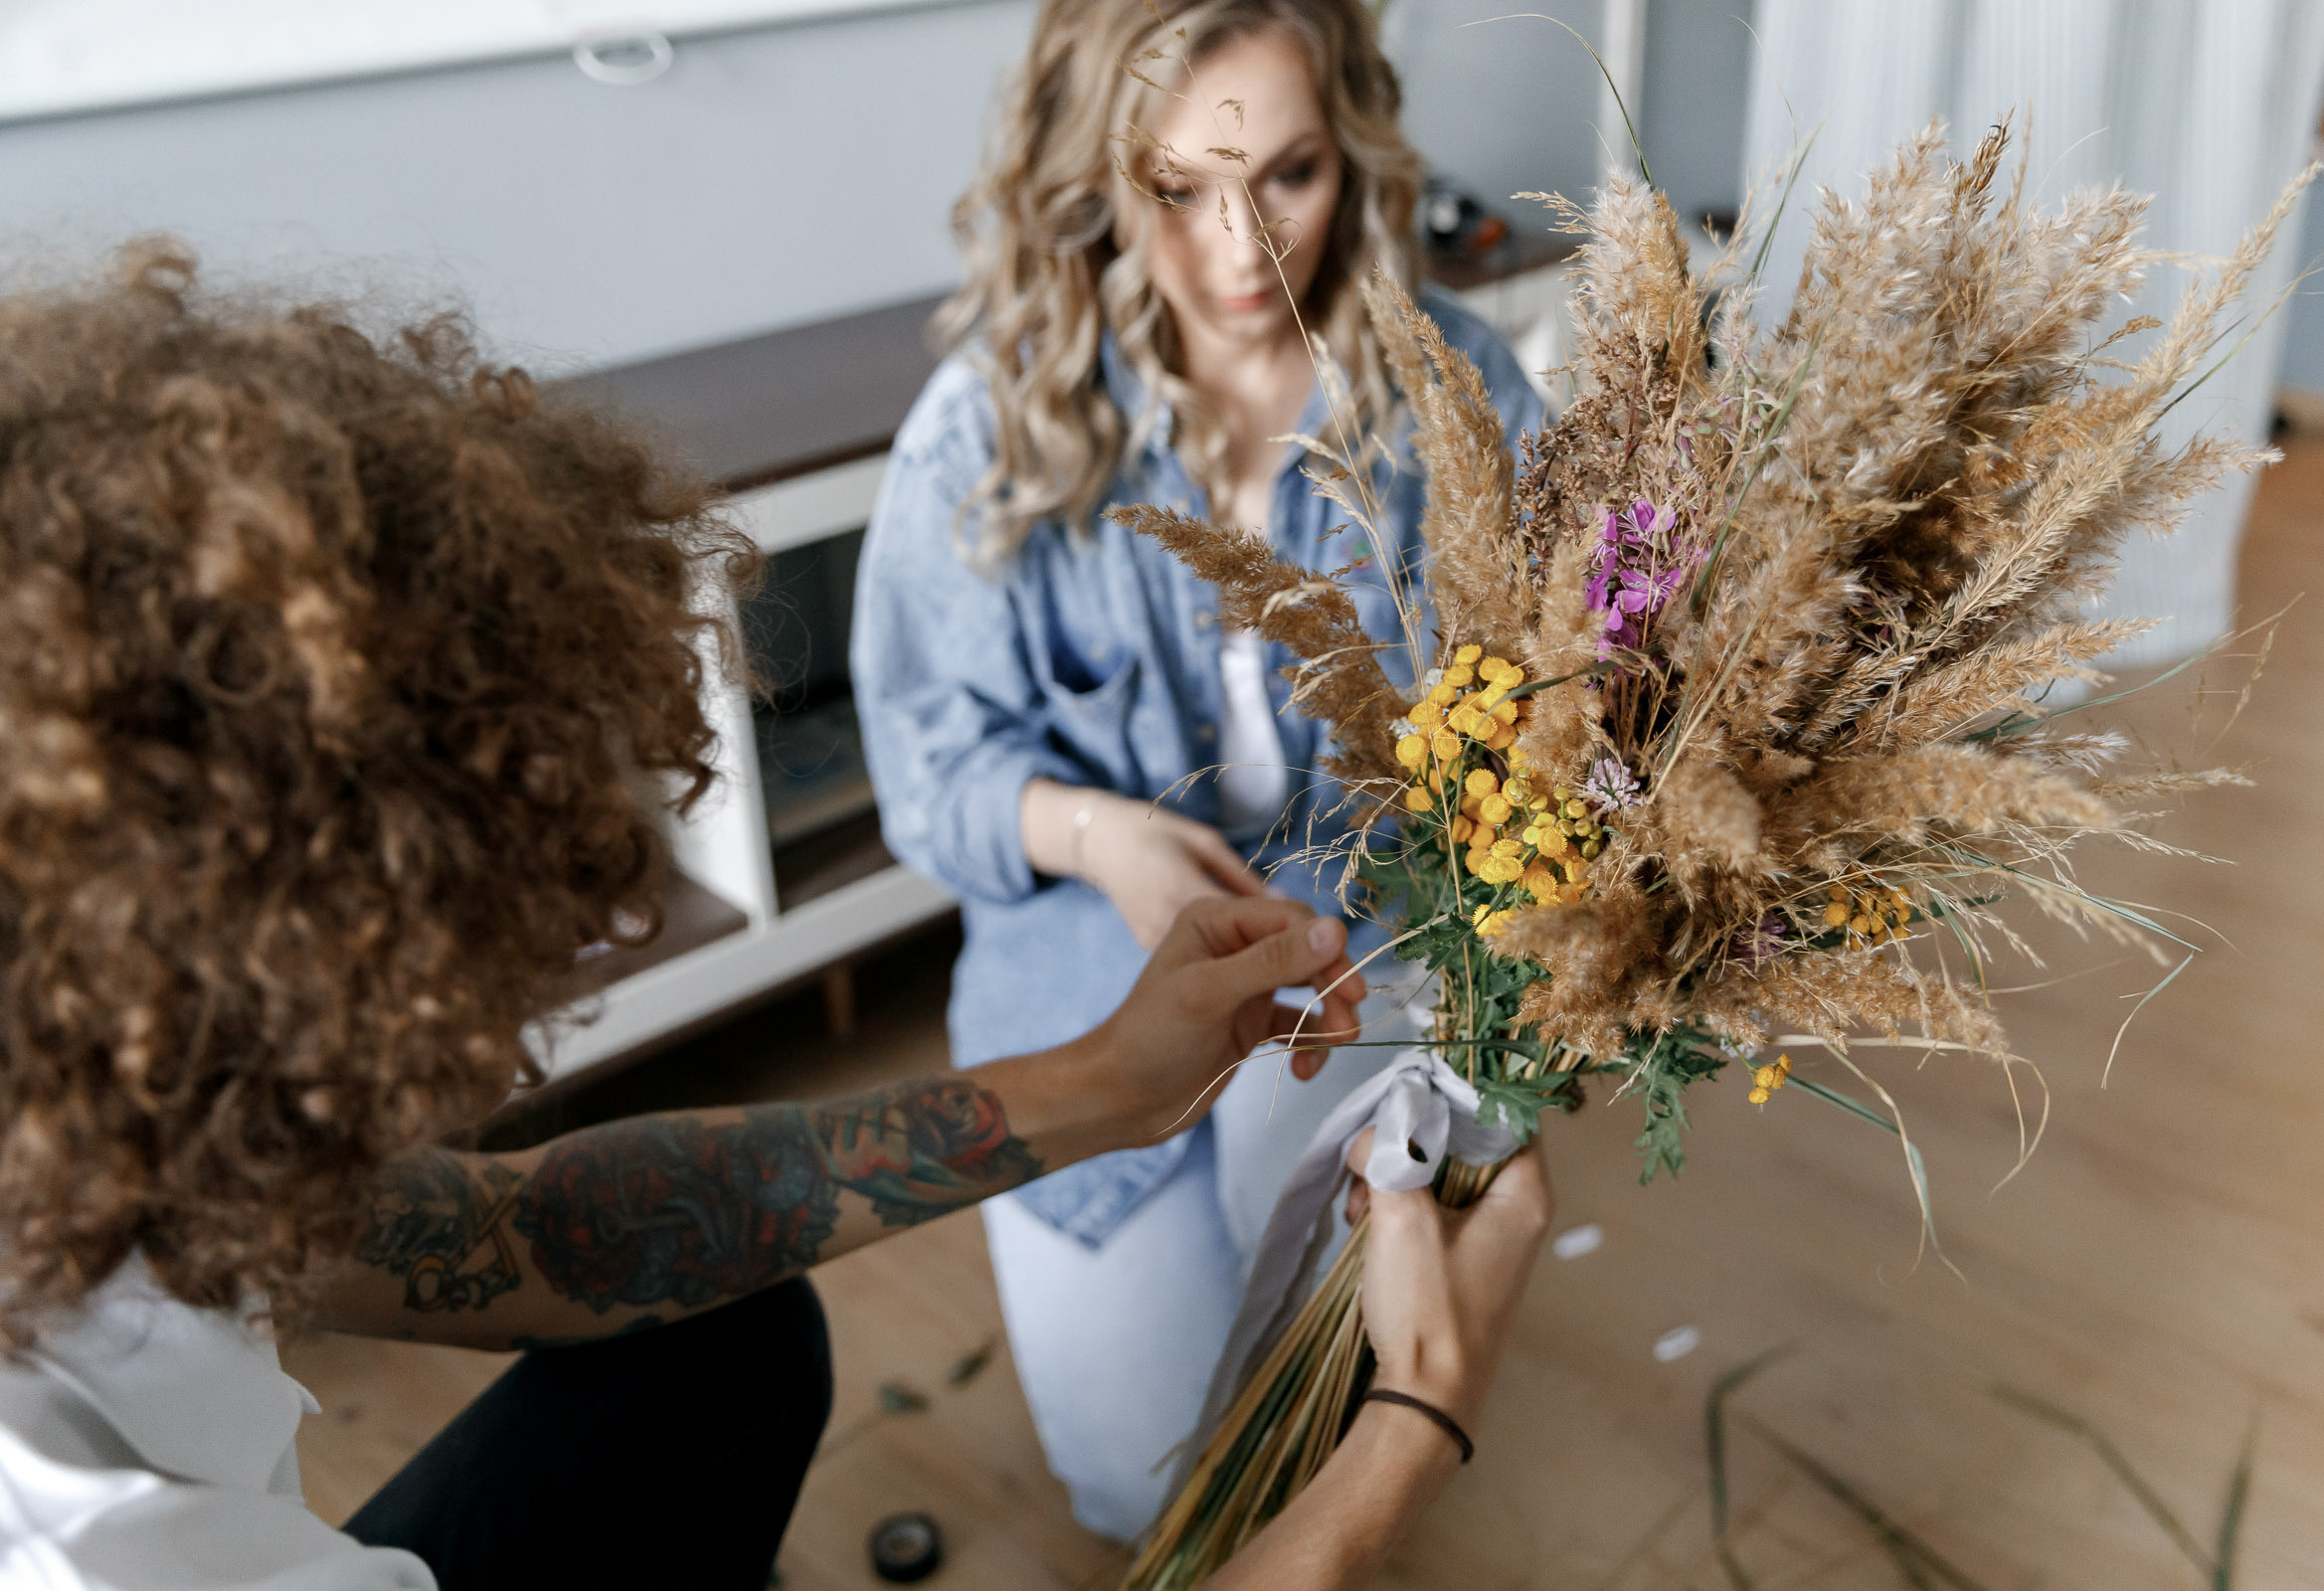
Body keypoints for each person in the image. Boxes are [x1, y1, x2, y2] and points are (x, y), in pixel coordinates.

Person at [0, 248, 1552, 1591]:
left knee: (723, 1341)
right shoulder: (80, 1541)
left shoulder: (99, 1109)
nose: (533, 997)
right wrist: (1411, 1423)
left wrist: (1099, 1087)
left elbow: (519, 1234)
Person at [851, 0, 1544, 1537]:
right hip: (1086, 969)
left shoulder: (1461, 393)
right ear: (1100, 179)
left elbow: (1563, 701)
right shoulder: (995, 425)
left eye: (1288, 176)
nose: (1243, 249)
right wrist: (1102, 839)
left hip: (1377, 943)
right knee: (1138, 1484)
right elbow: (928, 758)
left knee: (1326, 1408)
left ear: (1353, 156)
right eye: (1178, 189)